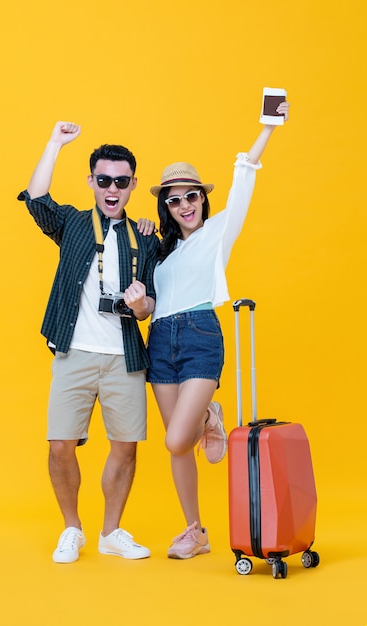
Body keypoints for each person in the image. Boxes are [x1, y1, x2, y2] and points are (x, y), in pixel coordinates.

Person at [146, 100, 290, 559]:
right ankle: (195, 531)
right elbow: (145, 298)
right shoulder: (161, 253)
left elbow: (245, 176)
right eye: (174, 199)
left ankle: (210, 413)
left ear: (202, 199)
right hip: (159, 342)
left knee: (175, 437)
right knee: (177, 450)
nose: (185, 205)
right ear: (167, 207)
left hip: (199, 335)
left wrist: (266, 127)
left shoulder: (219, 233)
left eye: (192, 196)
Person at [17, 121, 160, 563]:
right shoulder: (75, 225)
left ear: (133, 184)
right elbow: (37, 198)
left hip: (124, 357)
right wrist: (55, 143)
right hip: (74, 350)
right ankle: (72, 529)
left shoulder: (146, 236)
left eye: (121, 181)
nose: (112, 188)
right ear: (92, 182)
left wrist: (140, 306)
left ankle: (111, 532)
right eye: (104, 180)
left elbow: (150, 302)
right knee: (60, 443)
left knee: (125, 446)